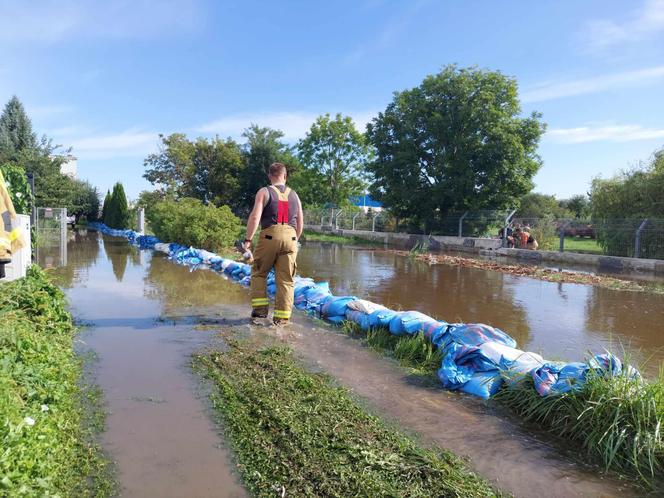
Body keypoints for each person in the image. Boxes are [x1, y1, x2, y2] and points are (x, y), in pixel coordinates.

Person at [243, 162, 304, 325]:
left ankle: (260, 312)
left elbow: (255, 217)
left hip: (270, 235)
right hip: (291, 238)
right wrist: (294, 239)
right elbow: (300, 222)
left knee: (259, 272)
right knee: (286, 280)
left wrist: (248, 240)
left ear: (270, 176)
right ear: (285, 176)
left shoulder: (264, 191)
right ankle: (282, 319)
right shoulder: (295, 195)